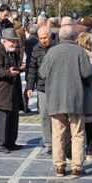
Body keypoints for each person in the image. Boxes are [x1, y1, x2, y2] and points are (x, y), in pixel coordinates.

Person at [38, 25, 92, 177]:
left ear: (60, 37)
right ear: (74, 36)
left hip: (55, 98)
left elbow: (42, 73)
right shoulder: (79, 52)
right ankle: (76, 167)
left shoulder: (52, 52)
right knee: (78, 133)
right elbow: (87, 74)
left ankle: (59, 166)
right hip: (75, 97)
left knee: (58, 133)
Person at [0, 27, 25, 154]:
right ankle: (0, 143)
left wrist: (20, 69)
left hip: (13, 91)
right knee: (2, 120)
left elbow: (14, 68)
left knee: (13, 119)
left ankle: (11, 142)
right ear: (3, 41)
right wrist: (8, 73)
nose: (14, 43)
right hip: (0, 93)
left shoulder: (14, 52)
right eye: (11, 41)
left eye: (15, 41)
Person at [25, 25, 56, 154]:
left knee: (57, 116)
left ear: (50, 37)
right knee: (44, 115)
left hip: (56, 87)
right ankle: (48, 143)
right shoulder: (36, 49)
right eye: (41, 38)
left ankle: (60, 141)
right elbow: (32, 67)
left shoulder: (56, 48)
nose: (43, 40)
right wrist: (30, 86)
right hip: (42, 87)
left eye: (45, 38)